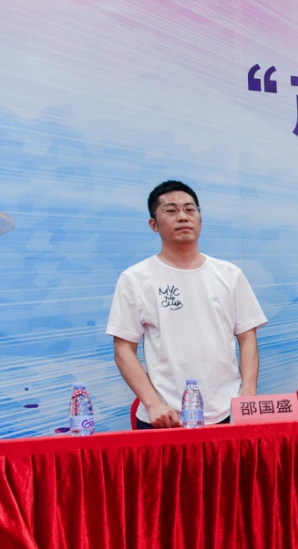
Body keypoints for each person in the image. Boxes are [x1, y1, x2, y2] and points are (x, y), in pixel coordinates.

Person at [107, 180, 267, 428]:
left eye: (190, 209)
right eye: (170, 210)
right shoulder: (135, 279)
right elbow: (123, 349)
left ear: (200, 219)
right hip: (166, 418)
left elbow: (247, 338)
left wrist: (247, 393)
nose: (182, 217)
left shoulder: (229, 274)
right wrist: (152, 404)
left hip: (228, 413)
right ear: (153, 224)